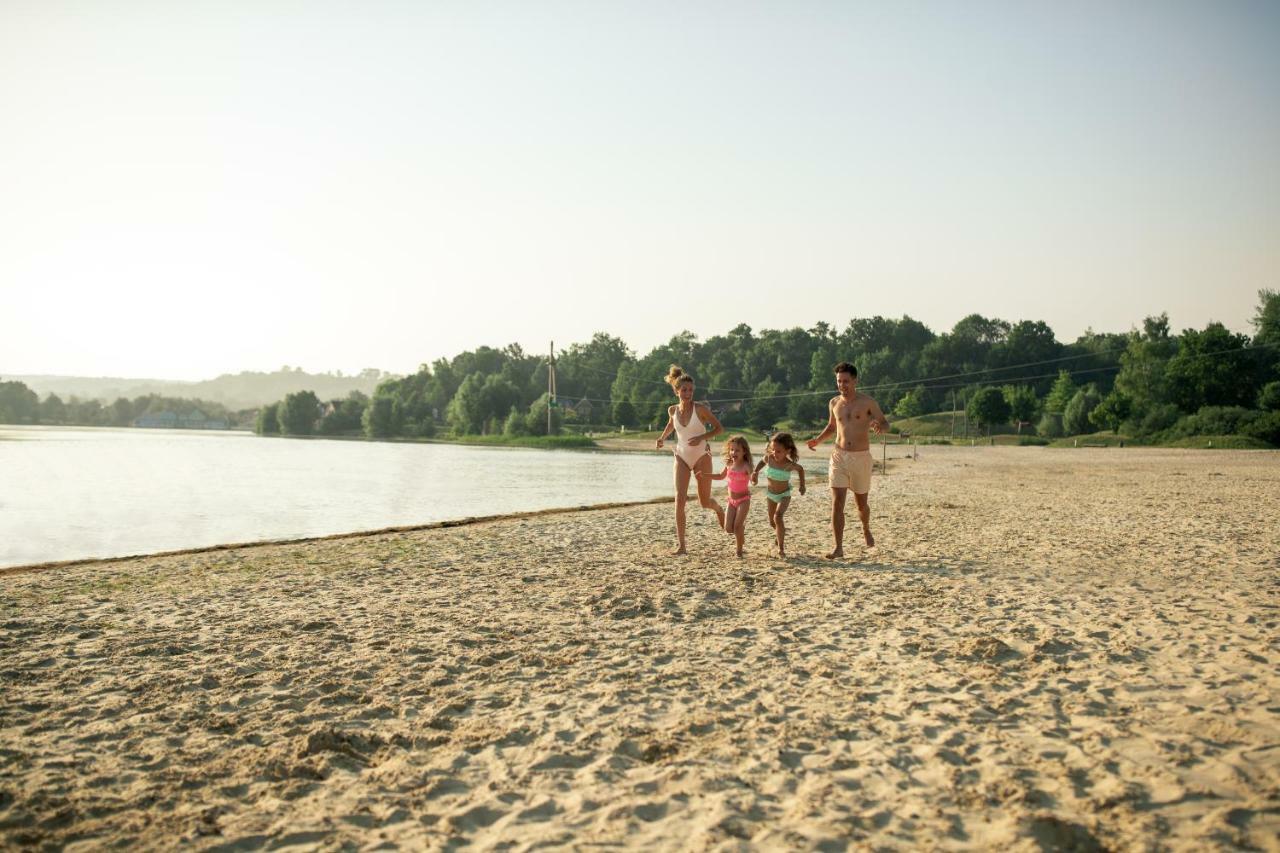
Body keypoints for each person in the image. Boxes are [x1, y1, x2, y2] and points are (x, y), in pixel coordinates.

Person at [807, 362, 890, 559]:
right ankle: (838, 547)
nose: (842, 385)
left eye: (845, 381)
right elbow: (831, 426)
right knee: (837, 503)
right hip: (839, 456)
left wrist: (881, 427)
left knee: (861, 505)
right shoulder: (834, 403)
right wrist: (818, 440)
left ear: (855, 381)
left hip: (861, 457)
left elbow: (885, 423)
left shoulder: (868, 402)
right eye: (838, 381)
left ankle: (866, 527)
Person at [655, 365, 726, 554]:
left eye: (691, 390)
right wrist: (662, 438)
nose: (688, 393)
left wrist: (702, 438)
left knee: (704, 502)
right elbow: (671, 425)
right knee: (679, 499)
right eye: (684, 390)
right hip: (682, 456)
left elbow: (719, 429)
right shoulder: (672, 410)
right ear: (677, 391)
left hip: (702, 456)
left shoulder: (700, 409)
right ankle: (682, 545)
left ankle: (719, 509)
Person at [751, 432, 805, 557]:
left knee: (778, 516)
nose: (775, 453)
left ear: (787, 451)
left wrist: (802, 485)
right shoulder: (769, 458)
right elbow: (761, 461)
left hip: (784, 495)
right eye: (773, 450)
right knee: (772, 522)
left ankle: (781, 549)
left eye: (779, 451)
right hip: (770, 494)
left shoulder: (789, 465)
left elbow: (801, 469)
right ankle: (779, 534)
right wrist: (755, 472)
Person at [709, 435, 753, 558]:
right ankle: (740, 533)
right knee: (728, 528)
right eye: (732, 449)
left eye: (737, 450)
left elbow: (752, 477)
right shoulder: (729, 464)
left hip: (744, 500)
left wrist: (754, 480)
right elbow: (720, 476)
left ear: (744, 452)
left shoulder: (746, 466)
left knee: (737, 526)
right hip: (731, 501)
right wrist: (706, 476)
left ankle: (739, 551)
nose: (734, 452)